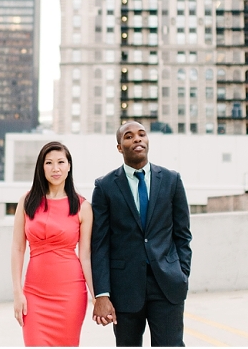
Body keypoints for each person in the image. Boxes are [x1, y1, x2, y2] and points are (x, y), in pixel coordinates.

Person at [91, 121, 192, 347]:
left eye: (141, 134)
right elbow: (99, 244)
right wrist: (102, 294)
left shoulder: (171, 180)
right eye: (128, 136)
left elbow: (183, 234)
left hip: (167, 284)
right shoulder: (105, 186)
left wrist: (182, 273)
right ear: (119, 147)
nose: (137, 139)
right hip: (124, 288)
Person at [11, 141, 95, 346]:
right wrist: (17, 292)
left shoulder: (82, 206)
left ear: (69, 166)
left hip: (70, 295)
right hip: (34, 294)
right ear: (41, 167)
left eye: (60, 162)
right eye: (49, 163)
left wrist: (98, 296)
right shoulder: (27, 201)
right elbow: (18, 248)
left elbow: (85, 256)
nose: (55, 168)